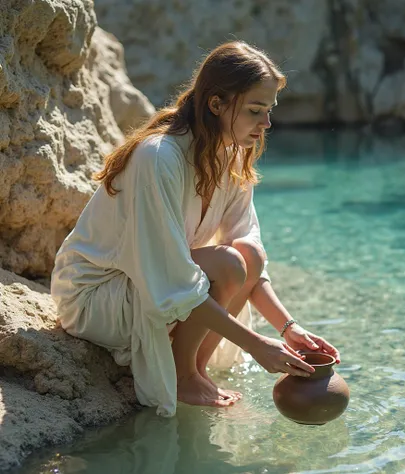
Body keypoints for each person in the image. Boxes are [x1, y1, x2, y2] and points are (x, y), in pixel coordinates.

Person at [51, 40, 341, 417]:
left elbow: (253, 264)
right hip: (96, 295)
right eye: (255, 110)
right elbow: (174, 279)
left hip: (153, 284)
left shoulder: (233, 154)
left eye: (269, 111)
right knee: (227, 263)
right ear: (216, 103)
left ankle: (194, 369)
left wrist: (288, 328)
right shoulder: (159, 158)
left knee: (247, 255)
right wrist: (256, 345)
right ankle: (183, 374)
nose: (266, 124)